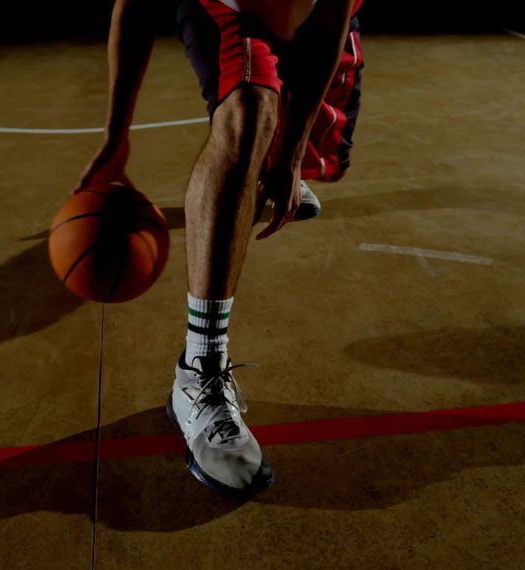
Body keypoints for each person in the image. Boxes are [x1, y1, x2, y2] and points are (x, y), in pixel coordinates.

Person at [75, 0, 364, 497]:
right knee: (248, 113)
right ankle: (199, 370)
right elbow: (136, 8)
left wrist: (293, 155)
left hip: (307, 10)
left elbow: (330, 19)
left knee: (312, 146)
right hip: (228, 6)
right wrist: (115, 138)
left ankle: (268, 154)